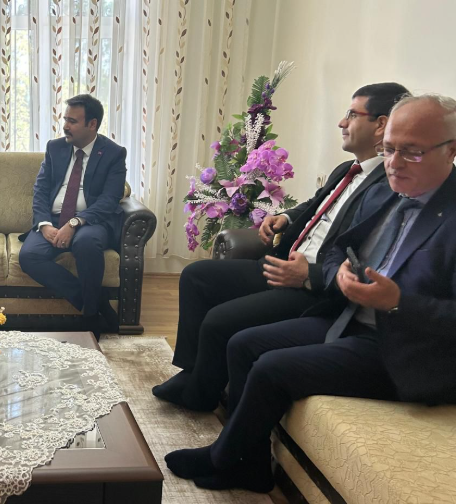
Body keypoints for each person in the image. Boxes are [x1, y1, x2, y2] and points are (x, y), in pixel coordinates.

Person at [165, 93, 456, 494]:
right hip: (351, 319)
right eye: (389, 149)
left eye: (412, 152)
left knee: (271, 368)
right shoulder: (387, 191)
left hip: (406, 350)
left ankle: (223, 458)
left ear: (451, 149)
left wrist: (398, 303)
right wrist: (338, 275)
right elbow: (337, 248)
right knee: (243, 344)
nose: (394, 162)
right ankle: (250, 466)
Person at [152, 83, 409, 411]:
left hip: (312, 287)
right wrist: (285, 217)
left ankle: (199, 396)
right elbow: (315, 204)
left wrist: (309, 275)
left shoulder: (390, 185)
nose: (342, 122)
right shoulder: (347, 170)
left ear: (380, 124)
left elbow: (367, 255)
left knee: (219, 321)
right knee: (196, 276)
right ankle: (194, 373)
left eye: (351, 114)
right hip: (284, 264)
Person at [18, 94, 126, 340]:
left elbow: (109, 199)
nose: (65, 126)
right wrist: (44, 224)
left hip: (90, 221)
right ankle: (95, 302)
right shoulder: (55, 148)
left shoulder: (113, 153)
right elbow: (41, 190)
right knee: (29, 256)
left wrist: (75, 223)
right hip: (54, 218)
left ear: (92, 124)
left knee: (86, 243)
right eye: (65, 119)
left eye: (72, 121)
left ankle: (90, 319)